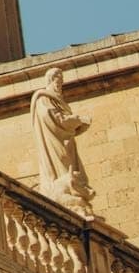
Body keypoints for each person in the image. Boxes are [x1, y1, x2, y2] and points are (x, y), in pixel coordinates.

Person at [29, 67, 95, 218]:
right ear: (51, 80)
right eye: (58, 81)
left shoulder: (56, 100)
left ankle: (74, 193)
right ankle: (66, 194)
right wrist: (76, 120)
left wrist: (76, 124)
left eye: (62, 82)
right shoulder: (43, 98)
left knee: (72, 171)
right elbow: (52, 118)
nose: (60, 85)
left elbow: (61, 120)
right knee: (63, 170)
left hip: (65, 140)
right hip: (54, 141)